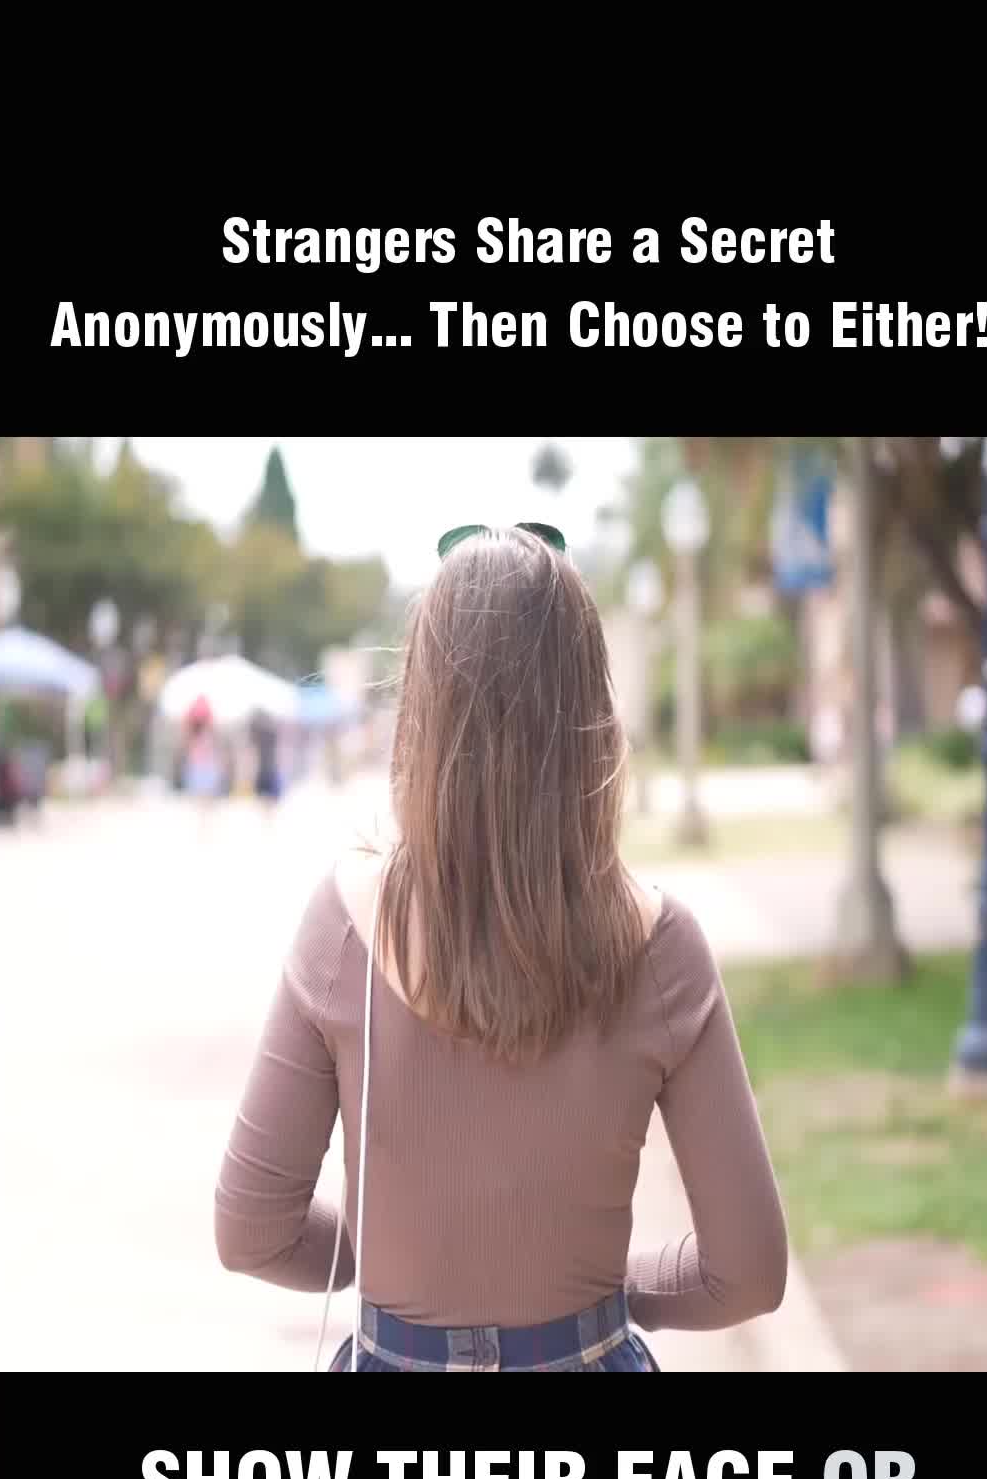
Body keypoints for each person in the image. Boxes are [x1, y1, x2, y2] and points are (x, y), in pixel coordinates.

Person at [215, 524, 788, 1372]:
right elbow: (747, 1273)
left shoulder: (345, 923)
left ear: (421, 712)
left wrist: (396, 1262)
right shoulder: (661, 946)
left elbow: (251, 1230)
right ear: (591, 716)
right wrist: (601, 1292)